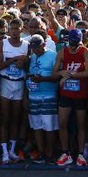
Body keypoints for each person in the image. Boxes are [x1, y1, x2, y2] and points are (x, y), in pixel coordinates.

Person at [52, 28, 88, 167]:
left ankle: (80, 153)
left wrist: (70, 74)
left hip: (80, 93)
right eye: (71, 43)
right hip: (66, 94)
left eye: (76, 44)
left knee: (81, 124)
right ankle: (65, 152)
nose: (73, 47)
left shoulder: (85, 51)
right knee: (62, 123)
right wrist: (63, 72)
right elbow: (55, 73)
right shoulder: (62, 52)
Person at [0, 18, 29, 164]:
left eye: (17, 28)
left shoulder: (26, 45)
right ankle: (3, 151)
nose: (15, 31)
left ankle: (12, 150)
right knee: (5, 118)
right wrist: (14, 59)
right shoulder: (3, 44)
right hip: (6, 83)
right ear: (9, 30)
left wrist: (23, 64)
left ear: (22, 29)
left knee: (16, 118)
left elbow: (28, 68)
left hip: (19, 84)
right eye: (12, 28)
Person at [26, 34, 59, 164]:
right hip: (33, 95)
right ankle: (41, 152)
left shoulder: (53, 55)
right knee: (37, 126)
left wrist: (43, 79)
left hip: (48, 95)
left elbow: (57, 76)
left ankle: (50, 153)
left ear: (44, 44)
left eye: (37, 47)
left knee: (49, 126)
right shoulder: (32, 56)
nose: (35, 50)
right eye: (33, 48)